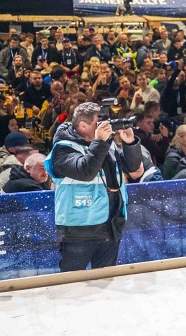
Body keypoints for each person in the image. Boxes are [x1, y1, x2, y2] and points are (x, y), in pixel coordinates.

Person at [48, 101, 144, 271]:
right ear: (83, 125)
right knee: (72, 282)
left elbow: (134, 169)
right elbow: (86, 171)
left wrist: (130, 143)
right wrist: (100, 141)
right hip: (78, 231)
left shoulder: (105, 143)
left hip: (110, 226)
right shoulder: (63, 149)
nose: (105, 127)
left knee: (106, 280)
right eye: (98, 123)